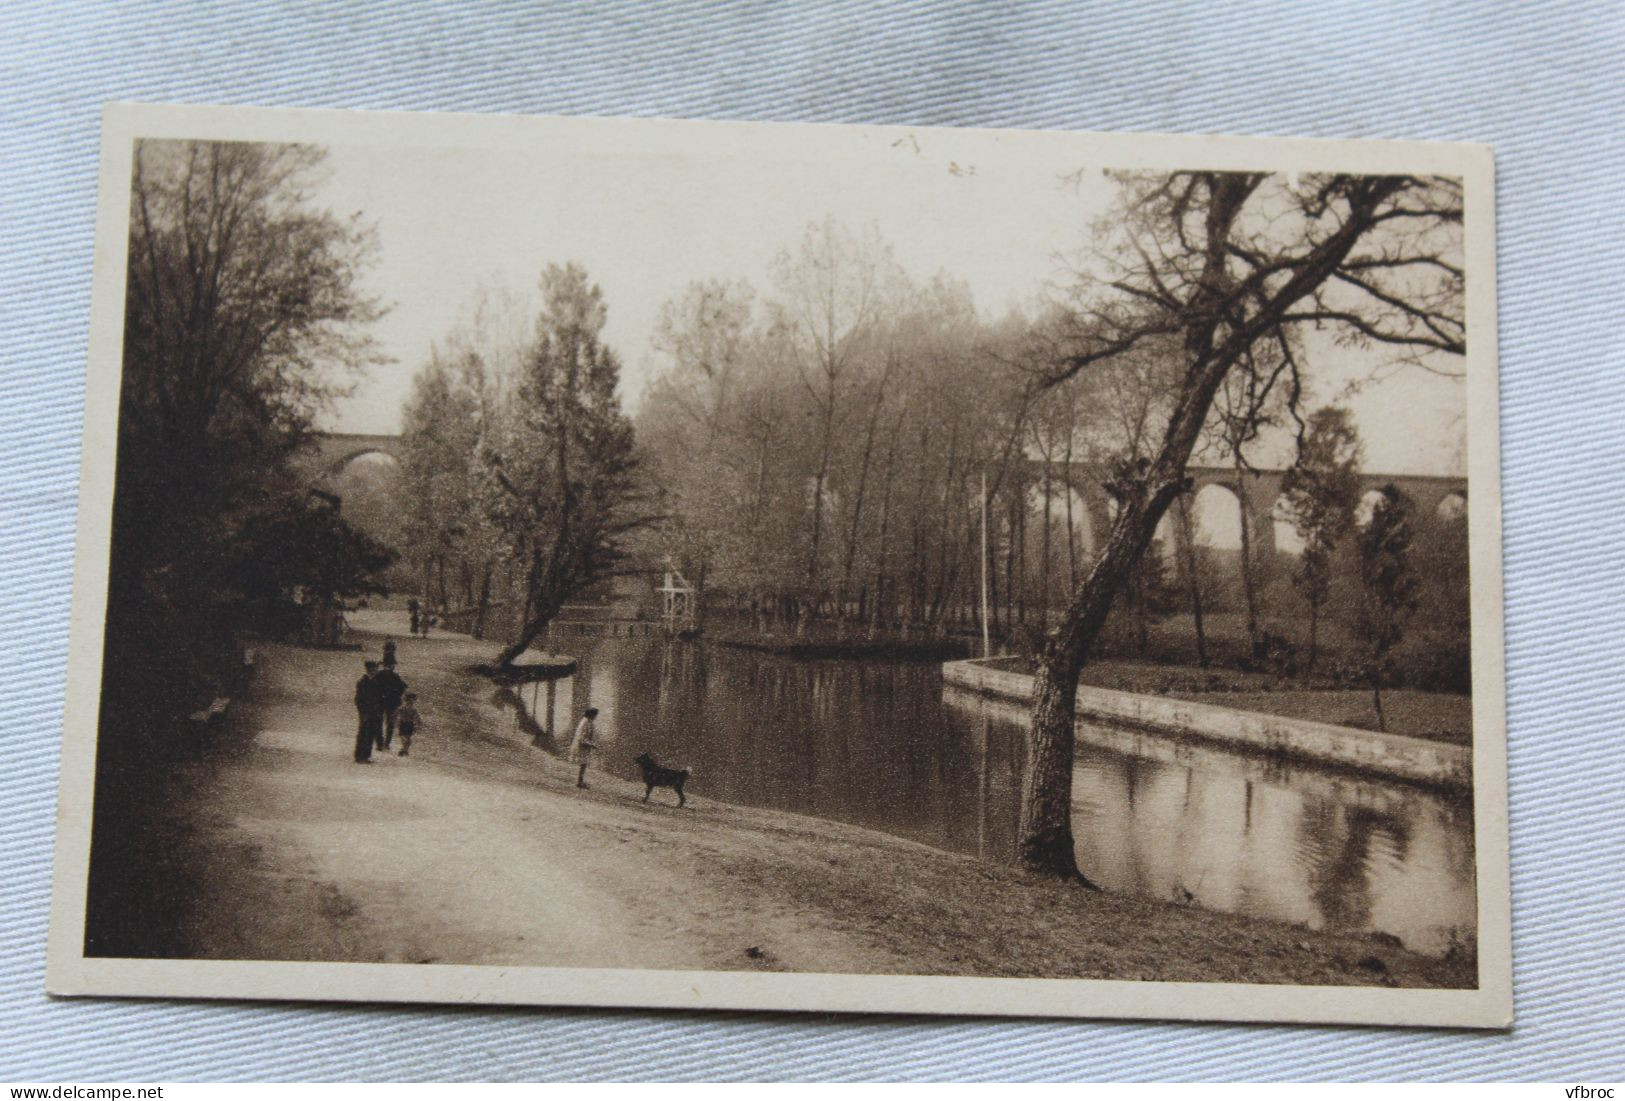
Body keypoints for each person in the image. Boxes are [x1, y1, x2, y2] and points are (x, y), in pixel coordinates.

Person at [373, 659, 408, 751]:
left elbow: (403, 687)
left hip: (383, 703)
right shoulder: (392, 676)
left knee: (383, 723)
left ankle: (382, 744)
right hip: (388, 703)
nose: (392, 667)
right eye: (391, 665)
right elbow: (403, 687)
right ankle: (384, 744)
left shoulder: (380, 675)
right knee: (386, 723)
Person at [353, 660, 382, 763]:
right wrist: (363, 712)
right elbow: (359, 700)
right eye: (375, 669)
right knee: (363, 733)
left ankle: (366, 755)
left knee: (371, 733)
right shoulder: (363, 682)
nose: (377, 670)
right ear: (371, 669)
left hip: (373, 712)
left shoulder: (374, 681)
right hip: (366, 712)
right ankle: (359, 756)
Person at [568, 707, 599, 789]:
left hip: (584, 747)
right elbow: (581, 738)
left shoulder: (589, 722)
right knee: (583, 764)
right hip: (581, 746)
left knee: (584, 764)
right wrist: (591, 744)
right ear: (591, 715)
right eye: (595, 715)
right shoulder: (584, 723)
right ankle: (579, 781)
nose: (596, 717)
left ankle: (580, 781)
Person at [396, 691, 423, 757]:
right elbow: (397, 714)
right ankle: (404, 750)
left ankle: (404, 750)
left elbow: (416, 716)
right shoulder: (405, 708)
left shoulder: (409, 709)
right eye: (410, 701)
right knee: (406, 738)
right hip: (406, 724)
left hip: (407, 724)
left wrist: (418, 721)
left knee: (407, 738)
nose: (411, 702)